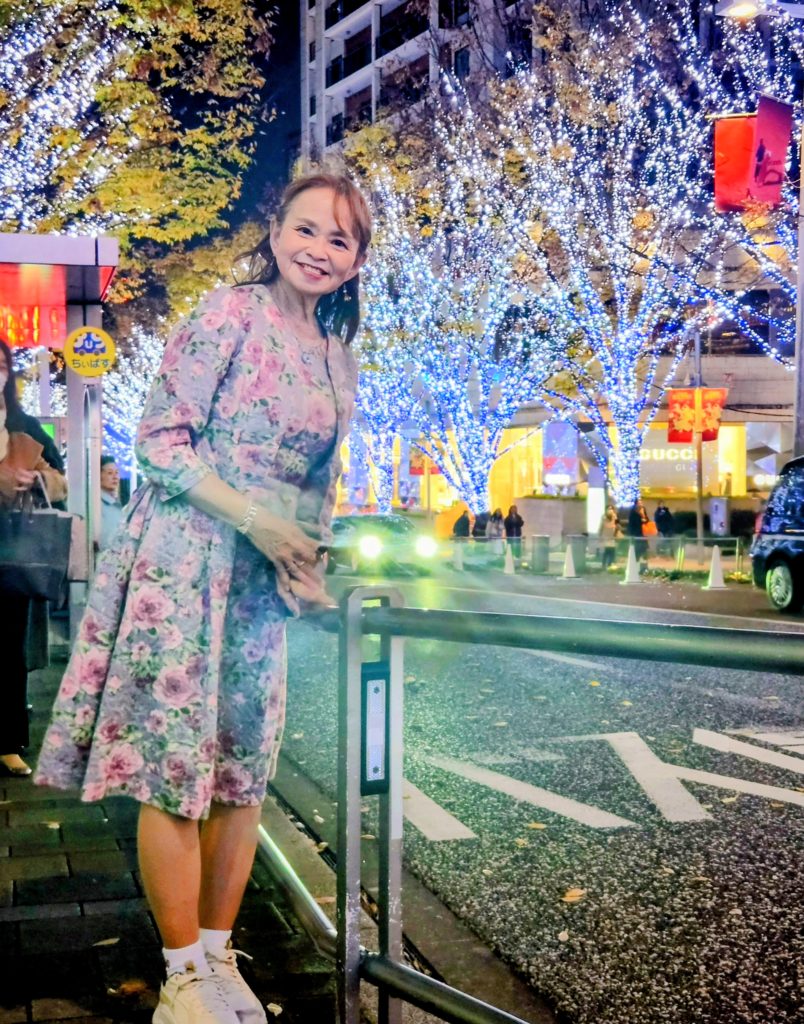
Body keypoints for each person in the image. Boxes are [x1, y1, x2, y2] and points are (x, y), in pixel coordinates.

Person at [35, 171, 371, 1024]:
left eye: (339, 239)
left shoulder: (338, 354)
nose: (318, 250)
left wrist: (307, 564)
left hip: (260, 582)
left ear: (357, 259)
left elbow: (319, 484)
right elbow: (159, 444)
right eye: (305, 229)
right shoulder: (228, 313)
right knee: (174, 766)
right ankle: (182, 976)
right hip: (185, 561)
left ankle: (219, 961)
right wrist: (259, 521)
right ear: (275, 232)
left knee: (242, 769)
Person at [0, 338, 67, 777]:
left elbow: (59, 477)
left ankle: (7, 742)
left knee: (9, 647)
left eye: (1, 364)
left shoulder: (22, 424)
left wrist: (36, 478)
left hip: (14, 549)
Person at [98, 455, 124, 551]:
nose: (115, 477)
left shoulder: (116, 504)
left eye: (117, 473)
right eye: (110, 473)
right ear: (99, 475)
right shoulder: (97, 505)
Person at [599, 503, 621, 569]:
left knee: (612, 552)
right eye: (609, 509)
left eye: (611, 509)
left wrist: (617, 532)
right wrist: (600, 536)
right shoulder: (604, 517)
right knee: (606, 552)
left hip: (612, 537)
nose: (610, 510)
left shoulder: (615, 517)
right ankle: (603, 565)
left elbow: (618, 526)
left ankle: (610, 565)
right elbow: (602, 527)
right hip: (605, 537)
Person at [627, 498, 650, 565]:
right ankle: (635, 562)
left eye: (641, 502)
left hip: (643, 533)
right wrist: (641, 519)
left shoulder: (643, 510)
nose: (641, 504)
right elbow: (634, 522)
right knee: (637, 549)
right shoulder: (633, 511)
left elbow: (647, 520)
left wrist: (643, 516)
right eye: (639, 502)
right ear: (636, 503)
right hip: (636, 533)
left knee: (644, 549)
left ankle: (643, 564)